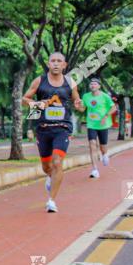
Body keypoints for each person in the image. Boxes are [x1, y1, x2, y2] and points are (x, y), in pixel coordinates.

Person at [22, 52, 84, 213]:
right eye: (53, 61)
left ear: (64, 65)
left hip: (62, 128)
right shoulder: (39, 81)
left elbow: (78, 103)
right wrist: (37, 103)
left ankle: (52, 200)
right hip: (43, 128)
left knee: (57, 162)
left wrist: (79, 104)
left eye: (59, 61)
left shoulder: (70, 82)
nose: (56, 64)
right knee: (46, 166)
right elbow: (24, 99)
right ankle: (50, 176)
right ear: (49, 64)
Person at [81, 78, 117, 178]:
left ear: (99, 86)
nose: (93, 85)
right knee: (92, 145)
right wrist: (78, 106)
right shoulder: (86, 96)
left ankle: (105, 154)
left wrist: (105, 116)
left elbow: (114, 108)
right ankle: (94, 170)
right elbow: (83, 108)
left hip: (103, 125)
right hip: (91, 125)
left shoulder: (105, 96)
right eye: (91, 84)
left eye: (95, 84)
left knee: (103, 147)